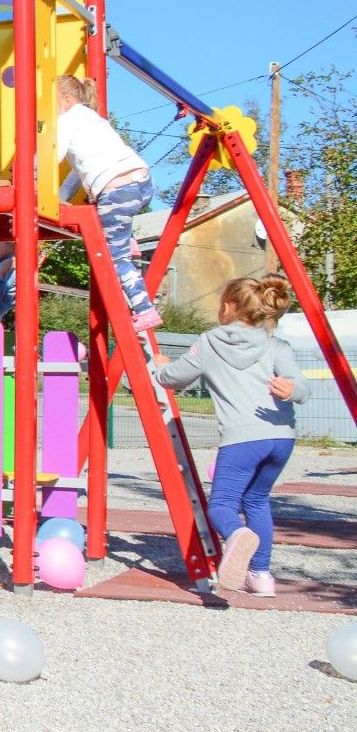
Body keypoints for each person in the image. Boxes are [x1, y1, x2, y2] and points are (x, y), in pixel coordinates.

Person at [154, 276, 308, 596]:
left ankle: (237, 536)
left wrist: (159, 367)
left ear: (227, 307)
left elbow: (175, 378)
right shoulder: (275, 345)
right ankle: (261, 576)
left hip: (242, 438)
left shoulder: (210, 342)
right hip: (281, 437)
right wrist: (292, 390)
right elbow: (301, 388)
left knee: (222, 506)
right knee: (257, 499)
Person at [55, 74, 161, 332]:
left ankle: (145, 309)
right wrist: (60, 198)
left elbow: (52, 154)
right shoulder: (92, 119)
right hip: (141, 182)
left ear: (66, 100)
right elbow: (77, 172)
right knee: (119, 242)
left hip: (116, 192)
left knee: (115, 259)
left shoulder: (66, 119)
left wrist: (30, 175)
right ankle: (128, 243)